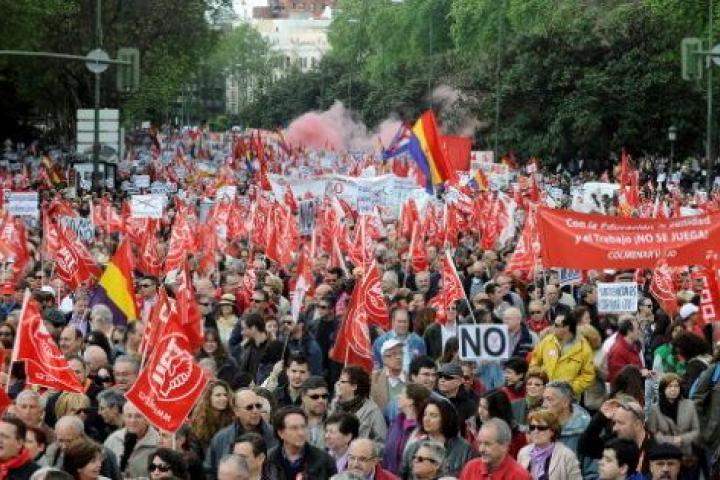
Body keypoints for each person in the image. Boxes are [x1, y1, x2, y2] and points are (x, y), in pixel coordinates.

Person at [204, 389, 277, 480]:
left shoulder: (274, 435)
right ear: (236, 411)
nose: (255, 411)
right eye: (249, 407)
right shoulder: (221, 438)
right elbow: (210, 472)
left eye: (258, 406)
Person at [401, 398, 475, 478]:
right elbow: (403, 475)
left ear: (446, 418)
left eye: (433, 415)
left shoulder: (464, 449)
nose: (426, 419)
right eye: (425, 415)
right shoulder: (413, 448)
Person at [530, 313, 595, 396]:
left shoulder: (583, 348)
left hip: (569, 397)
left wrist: (571, 389)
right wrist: (540, 380)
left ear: (567, 327)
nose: (553, 327)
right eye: (554, 324)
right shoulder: (547, 341)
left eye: (557, 325)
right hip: (545, 394)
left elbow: (588, 375)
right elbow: (534, 363)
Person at [265, 407, 336, 479]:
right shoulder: (268, 461)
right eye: (294, 428)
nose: (301, 433)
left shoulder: (324, 460)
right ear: (281, 433)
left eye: (303, 427)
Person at [516, 409, 581, 479]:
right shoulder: (523, 452)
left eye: (541, 428)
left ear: (552, 431)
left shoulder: (567, 455)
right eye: (532, 427)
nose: (536, 431)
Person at [458, 418, 531, 480]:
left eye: (487, 444)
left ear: (504, 446)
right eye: (480, 443)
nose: (481, 449)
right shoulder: (470, 468)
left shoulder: (520, 476)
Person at [646, 373, 699, 458]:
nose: (673, 389)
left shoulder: (690, 405)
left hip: (686, 454)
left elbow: (696, 431)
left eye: (676, 386)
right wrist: (671, 440)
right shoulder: (655, 408)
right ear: (663, 388)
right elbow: (653, 433)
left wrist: (682, 439)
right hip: (664, 453)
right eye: (669, 386)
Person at [382, 383, 431, 475]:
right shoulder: (396, 422)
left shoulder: (423, 429)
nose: (398, 396)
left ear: (411, 401)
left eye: (402, 394)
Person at [330, 366, 387, 444]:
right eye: (338, 380)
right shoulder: (335, 404)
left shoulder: (372, 411)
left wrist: (364, 448)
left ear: (354, 386)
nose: (338, 384)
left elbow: (382, 442)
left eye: (342, 381)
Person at [103, 403, 158, 479]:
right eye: (129, 416)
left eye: (138, 416)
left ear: (147, 419)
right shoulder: (113, 439)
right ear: (123, 418)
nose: (133, 420)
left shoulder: (158, 442)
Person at [189, 380, 236, 453]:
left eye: (225, 395)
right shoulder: (198, 423)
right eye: (218, 395)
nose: (224, 398)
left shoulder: (233, 419)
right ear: (208, 398)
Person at [370, 339, 407, 418]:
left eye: (401, 353)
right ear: (384, 359)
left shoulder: (411, 378)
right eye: (393, 354)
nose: (399, 357)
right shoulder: (375, 379)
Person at [435, 362, 477, 428]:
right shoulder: (432, 400)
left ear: (460, 381)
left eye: (448, 377)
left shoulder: (469, 405)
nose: (442, 380)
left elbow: (471, 430)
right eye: (440, 376)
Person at [606, 318, 644, 385]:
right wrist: (641, 373)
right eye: (637, 329)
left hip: (634, 387)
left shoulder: (632, 346)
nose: (639, 331)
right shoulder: (618, 350)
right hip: (625, 389)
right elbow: (619, 376)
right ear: (629, 332)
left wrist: (643, 371)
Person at [299, 376, 329, 449]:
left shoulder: (336, 421)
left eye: (324, 396)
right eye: (315, 397)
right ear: (303, 397)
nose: (320, 400)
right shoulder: (291, 421)